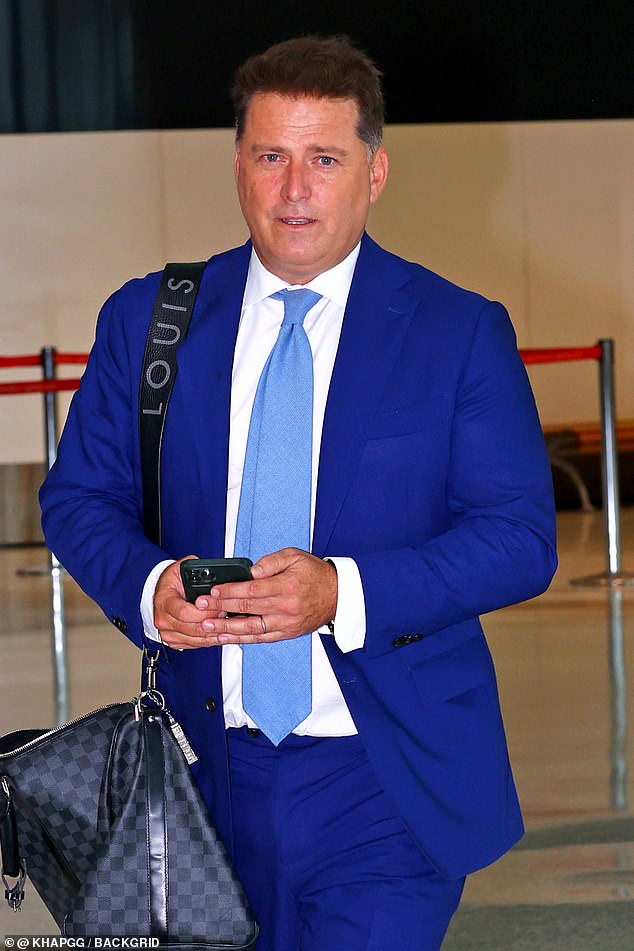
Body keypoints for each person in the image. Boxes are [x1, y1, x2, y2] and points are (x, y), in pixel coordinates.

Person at [40, 35, 557, 951]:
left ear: (376, 170)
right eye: (271, 156)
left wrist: (341, 590)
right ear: (237, 163)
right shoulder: (151, 320)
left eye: (325, 159)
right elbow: (81, 496)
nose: (294, 190)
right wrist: (149, 588)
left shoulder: (458, 332)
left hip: (384, 779)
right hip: (199, 776)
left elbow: (519, 536)